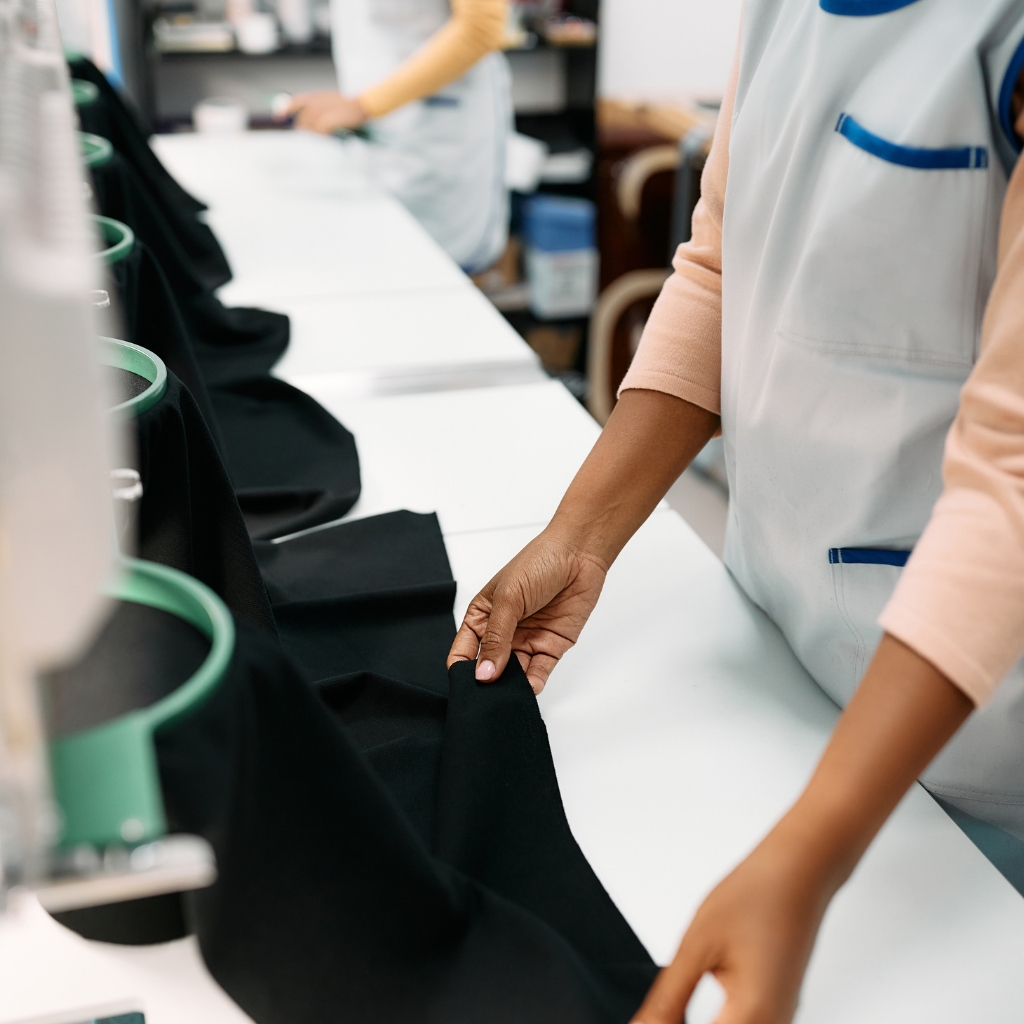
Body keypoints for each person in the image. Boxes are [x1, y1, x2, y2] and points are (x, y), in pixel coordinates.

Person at [448, 2, 1024, 1021]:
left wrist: (805, 860)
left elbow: (1013, 473)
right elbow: (722, 270)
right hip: (775, 648)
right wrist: (579, 538)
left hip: (968, 743)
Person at [282, 0, 511, 273]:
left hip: (439, 126)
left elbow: (481, 28)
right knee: (387, 260)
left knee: (440, 273)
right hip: (380, 121)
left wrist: (363, 106)